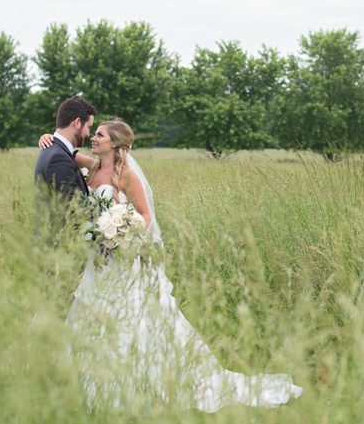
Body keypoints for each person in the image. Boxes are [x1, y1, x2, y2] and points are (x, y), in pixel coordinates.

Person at [38, 119, 303, 412]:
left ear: (114, 143)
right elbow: (67, 150)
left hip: (123, 260)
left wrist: (119, 234)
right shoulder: (94, 165)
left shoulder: (126, 174)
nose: (93, 139)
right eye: (94, 133)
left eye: (99, 135)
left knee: (135, 321)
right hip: (98, 264)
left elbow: (145, 218)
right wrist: (47, 137)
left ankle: (139, 385)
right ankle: (88, 381)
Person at [34, 96, 96, 199]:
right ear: (77, 123)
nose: (89, 134)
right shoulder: (58, 158)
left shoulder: (56, 150)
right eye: (88, 127)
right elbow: (72, 209)